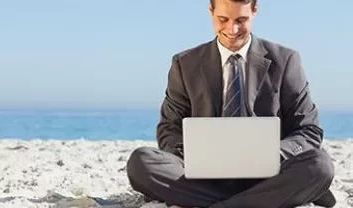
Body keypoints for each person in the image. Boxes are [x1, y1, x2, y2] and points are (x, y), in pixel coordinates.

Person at [126, 0, 336, 207]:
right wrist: (195, 155)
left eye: (241, 20)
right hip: (204, 176)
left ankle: (219, 202)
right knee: (140, 162)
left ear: (255, 10)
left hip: (269, 174)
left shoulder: (286, 60)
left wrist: (271, 154)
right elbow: (169, 129)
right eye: (223, 19)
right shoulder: (184, 63)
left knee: (320, 165)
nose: (232, 29)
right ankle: (258, 200)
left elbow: (308, 130)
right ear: (211, 11)